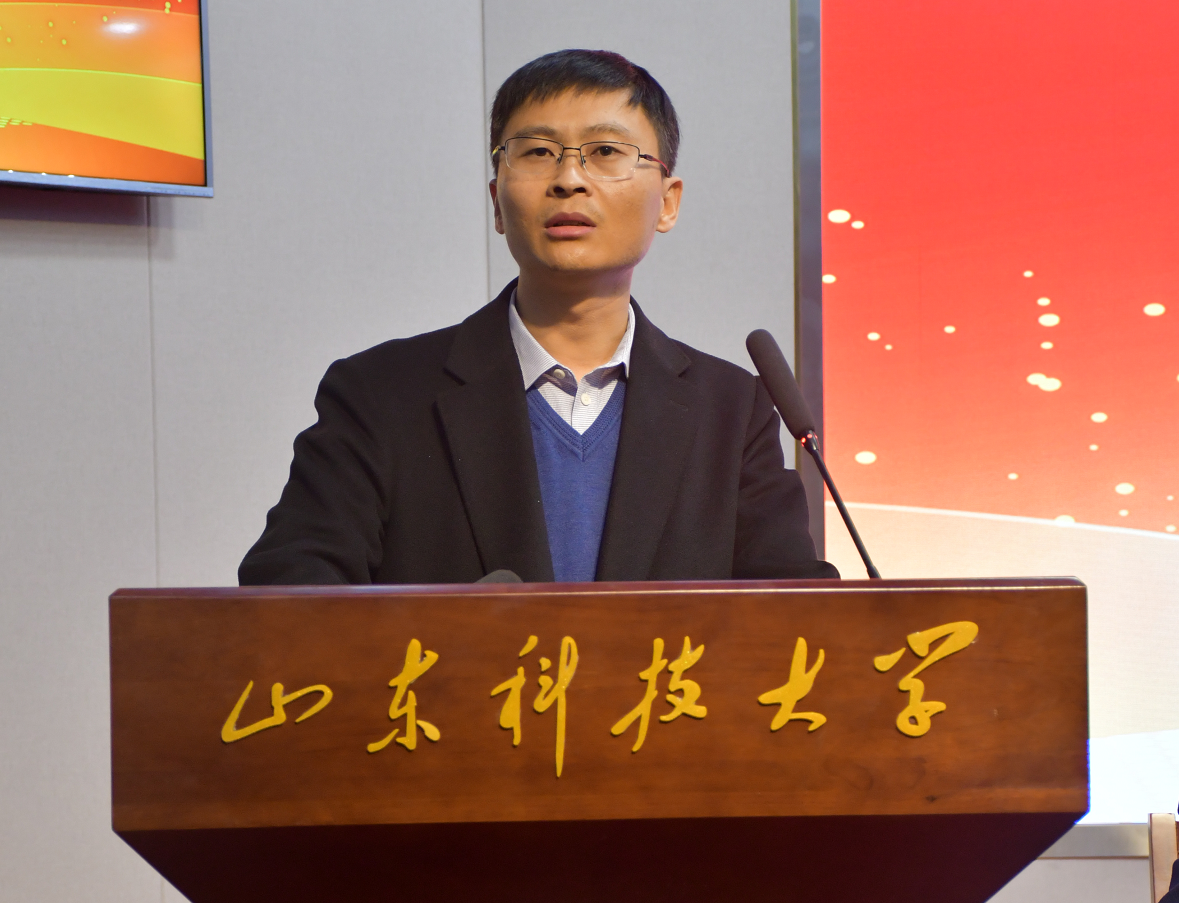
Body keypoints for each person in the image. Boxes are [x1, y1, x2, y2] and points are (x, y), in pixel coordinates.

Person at [239, 49, 838, 586]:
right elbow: (289, 597)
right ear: (497, 202)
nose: (569, 179)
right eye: (537, 153)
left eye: (606, 152)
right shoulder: (380, 394)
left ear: (667, 201)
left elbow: (794, 617)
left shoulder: (732, 410)